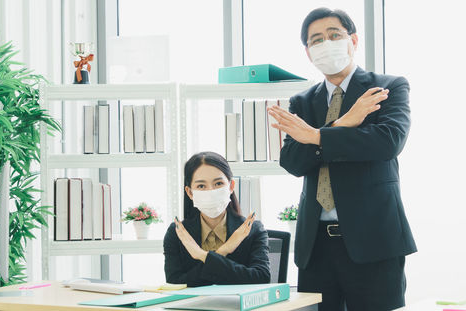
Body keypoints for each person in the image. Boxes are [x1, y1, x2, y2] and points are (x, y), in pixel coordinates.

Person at [267, 7, 417, 311]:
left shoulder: (387, 88)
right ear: (308, 53)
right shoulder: (302, 102)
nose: (327, 43)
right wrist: (341, 125)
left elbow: (386, 142)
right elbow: (293, 161)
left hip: (373, 241)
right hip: (316, 246)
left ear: (354, 40)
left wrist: (316, 136)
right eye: (317, 40)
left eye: (334, 35)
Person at [163, 151, 270, 286]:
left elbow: (261, 277)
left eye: (218, 183)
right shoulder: (177, 233)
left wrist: (201, 255)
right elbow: (175, 283)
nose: (210, 191)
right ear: (190, 192)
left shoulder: (252, 230)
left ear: (231, 186)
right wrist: (224, 250)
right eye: (201, 186)